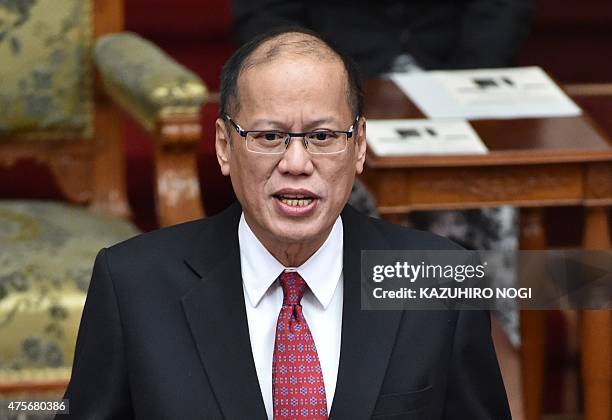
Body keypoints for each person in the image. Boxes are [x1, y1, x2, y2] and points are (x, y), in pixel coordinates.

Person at [61, 28, 510, 419]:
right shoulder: (133, 287)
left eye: (322, 136)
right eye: (269, 136)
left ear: (358, 147)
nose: (297, 163)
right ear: (223, 146)